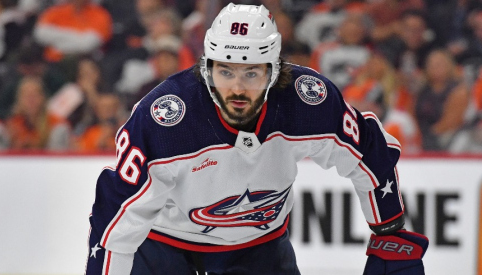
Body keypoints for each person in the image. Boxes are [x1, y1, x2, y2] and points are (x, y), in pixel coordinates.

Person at [85, 4, 428, 275]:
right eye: (225, 71)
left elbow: (368, 149)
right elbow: (115, 216)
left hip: (259, 245)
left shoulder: (308, 102)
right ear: (206, 69)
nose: (237, 88)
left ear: (274, 71)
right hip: (163, 243)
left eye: (251, 72)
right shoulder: (165, 119)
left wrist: (389, 231)